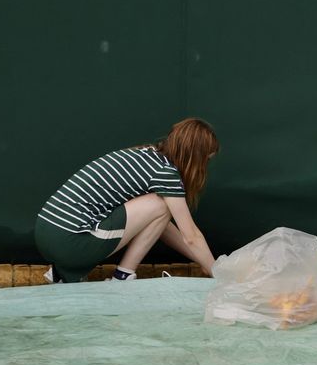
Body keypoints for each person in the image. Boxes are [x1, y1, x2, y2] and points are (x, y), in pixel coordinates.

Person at [35, 118, 219, 283]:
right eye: (205, 161)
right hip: (71, 243)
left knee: (161, 207)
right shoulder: (165, 173)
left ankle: (62, 272)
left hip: (47, 235)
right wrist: (218, 273)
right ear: (194, 157)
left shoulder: (144, 154)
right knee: (162, 204)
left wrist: (204, 263)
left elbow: (158, 226)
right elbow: (191, 237)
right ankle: (122, 278)